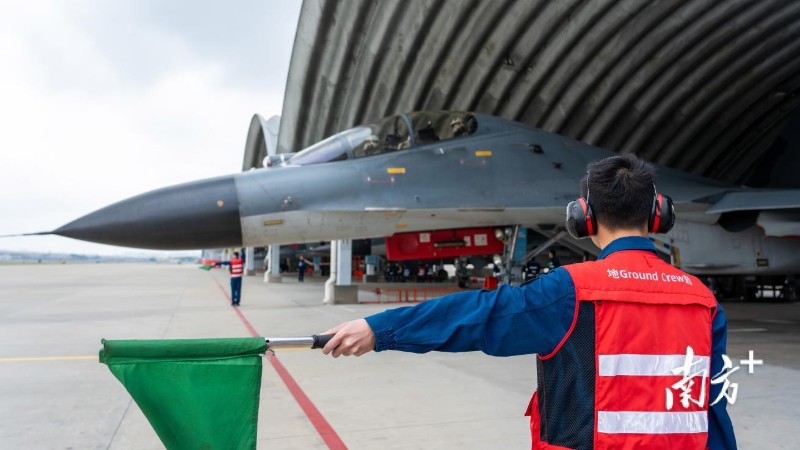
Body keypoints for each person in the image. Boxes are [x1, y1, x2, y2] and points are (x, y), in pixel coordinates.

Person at [320, 154, 736, 449]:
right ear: (658, 213)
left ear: (583, 218)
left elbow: (480, 314)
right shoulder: (702, 300)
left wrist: (381, 329)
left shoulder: (570, 290)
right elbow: (711, 407)